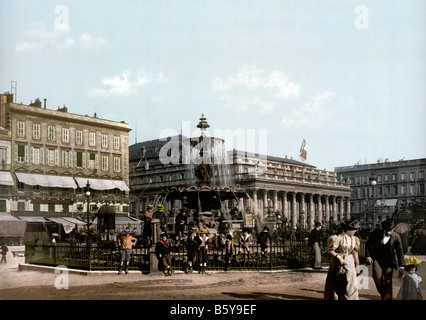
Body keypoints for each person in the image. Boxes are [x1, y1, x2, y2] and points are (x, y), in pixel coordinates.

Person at [365, 218, 405, 300]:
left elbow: (400, 251)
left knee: (388, 281)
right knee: (377, 278)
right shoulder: (376, 233)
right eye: (386, 230)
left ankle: (387, 298)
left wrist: (402, 265)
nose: (388, 232)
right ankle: (385, 294)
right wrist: (368, 256)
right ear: (383, 229)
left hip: (389, 261)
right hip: (377, 259)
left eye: (390, 230)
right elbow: (368, 245)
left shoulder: (396, 236)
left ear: (393, 228)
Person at [324, 217, 361, 300]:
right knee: (336, 284)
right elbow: (330, 250)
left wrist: (357, 266)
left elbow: (355, 253)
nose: (355, 231)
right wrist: (339, 258)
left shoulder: (355, 239)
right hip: (338, 262)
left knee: (350, 284)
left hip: (350, 262)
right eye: (354, 229)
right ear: (349, 229)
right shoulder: (338, 238)